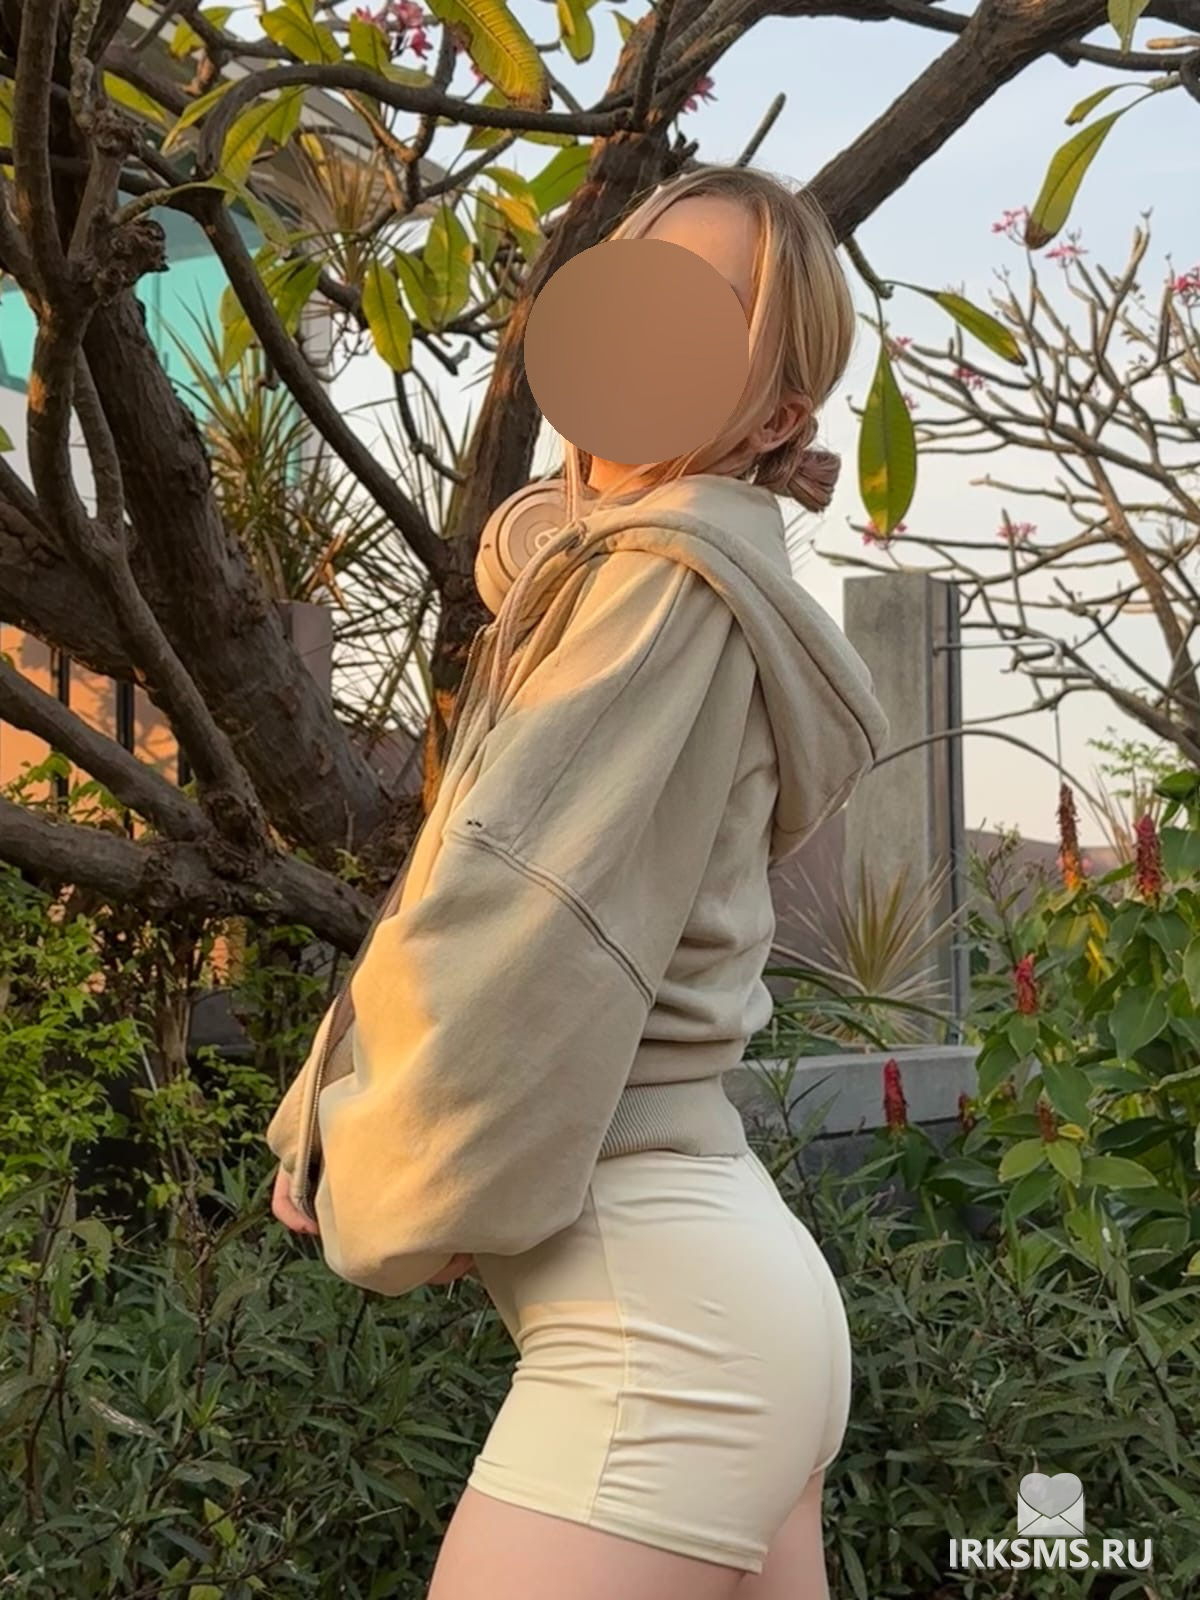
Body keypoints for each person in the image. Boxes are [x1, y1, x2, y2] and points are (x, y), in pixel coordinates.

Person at [267, 164, 889, 1600]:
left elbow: (513, 925)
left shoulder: (657, 593)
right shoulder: (625, 580)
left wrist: (376, 1173)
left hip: (657, 1337)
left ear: (776, 411)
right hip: (716, 1298)